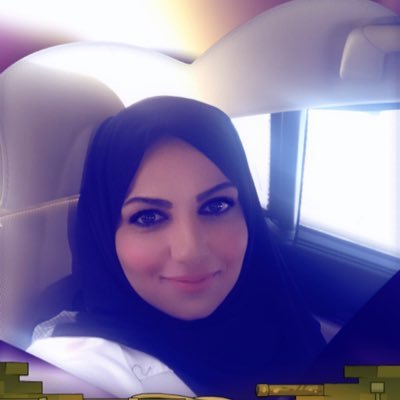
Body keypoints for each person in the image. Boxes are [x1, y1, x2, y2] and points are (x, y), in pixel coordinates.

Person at [27, 96, 325, 399]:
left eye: (216, 206)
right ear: (104, 233)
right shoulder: (81, 365)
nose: (190, 251)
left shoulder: (276, 307)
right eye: (148, 217)